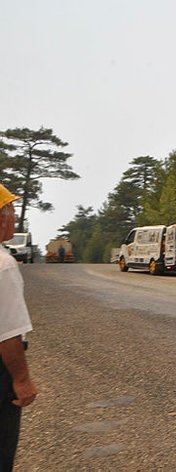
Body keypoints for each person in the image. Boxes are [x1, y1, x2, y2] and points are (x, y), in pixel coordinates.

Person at [0, 183, 37, 470]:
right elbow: (8, 333)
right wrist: (21, 380)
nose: (14, 215)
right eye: (11, 209)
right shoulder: (3, 265)